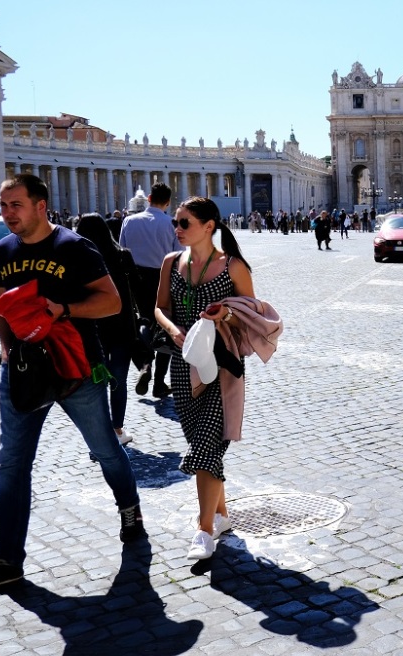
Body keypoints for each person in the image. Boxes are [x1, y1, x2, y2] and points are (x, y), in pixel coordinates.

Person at [0, 174, 145, 597]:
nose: (7, 214)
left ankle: (129, 509)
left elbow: (111, 302)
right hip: (24, 370)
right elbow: (2, 305)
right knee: (12, 464)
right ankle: (6, 560)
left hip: (77, 369)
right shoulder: (4, 250)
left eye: (15, 205)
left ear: (40, 205)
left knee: (104, 449)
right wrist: (6, 350)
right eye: (4, 206)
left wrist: (64, 309)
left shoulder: (75, 247)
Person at [154, 197, 255, 559]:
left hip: (221, 364)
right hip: (184, 363)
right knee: (203, 442)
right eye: (176, 223)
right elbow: (159, 307)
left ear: (209, 226)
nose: (177, 229)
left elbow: (253, 314)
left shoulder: (233, 266)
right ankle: (222, 515)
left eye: (184, 223)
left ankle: (204, 529)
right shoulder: (171, 263)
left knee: (205, 446)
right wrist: (171, 329)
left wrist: (225, 313)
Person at [76, 213, 141, 446]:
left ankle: (99, 432)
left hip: (90, 326)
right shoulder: (122, 256)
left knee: (95, 380)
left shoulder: (76, 258)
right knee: (118, 379)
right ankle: (117, 428)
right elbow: (138, 290)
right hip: (121, 325)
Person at [120, 183, 180, 399]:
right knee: (165, 325)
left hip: (136, 280)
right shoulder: (171, 224)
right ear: (168, 202)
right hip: (163, 277)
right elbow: (178, 257)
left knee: (143, 321)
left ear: (149, 197)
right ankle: (160, 383)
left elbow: (122, 253)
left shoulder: (129, 221)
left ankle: (145, 365)